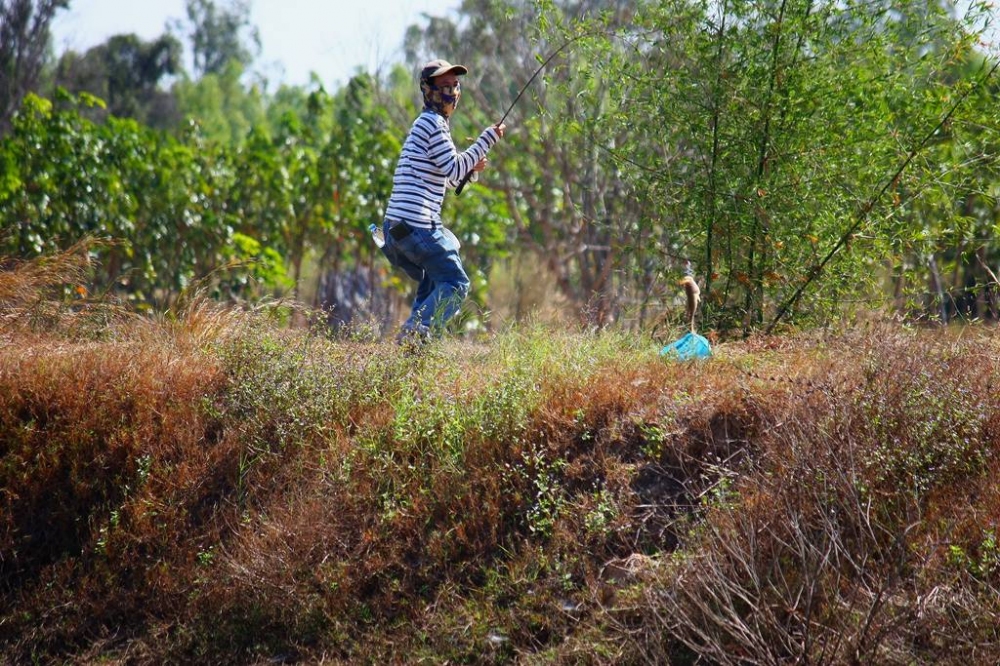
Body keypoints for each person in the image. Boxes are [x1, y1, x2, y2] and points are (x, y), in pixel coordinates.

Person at [380, 58, 506, 344]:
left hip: (397, 227)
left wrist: (471, 171)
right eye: (443, 86)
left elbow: (450, 179)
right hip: (416, 226)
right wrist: (487, 138)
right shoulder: (432, 123)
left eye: (454, 85)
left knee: (434, 279)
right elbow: (455, 169)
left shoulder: (428, 124)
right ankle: (415, 332)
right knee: (456, 283)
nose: (451, 92)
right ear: (427, 90)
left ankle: (412, 346)